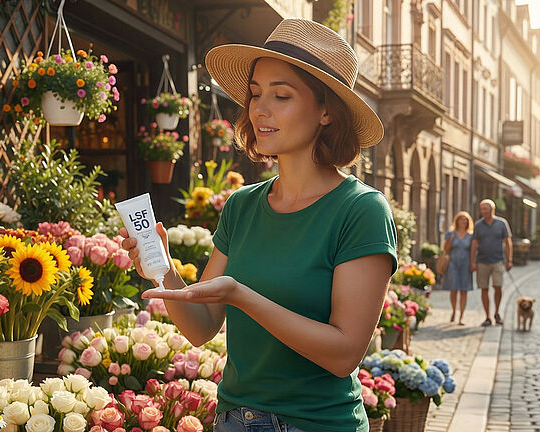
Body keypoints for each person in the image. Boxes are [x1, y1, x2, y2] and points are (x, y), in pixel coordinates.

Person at [120, 19, 397, 432]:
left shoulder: (361, 210)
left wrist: (242, 296)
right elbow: (201, 327)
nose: (260, 109)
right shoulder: (241, 206)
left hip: (316, 423)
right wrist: (163, 270)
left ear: (326, 111)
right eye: (255, 94)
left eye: (281, 95)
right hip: (235, 418)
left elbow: (344, 354)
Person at [470, 199, 512, 326]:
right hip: (482, 261)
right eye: (482, 209)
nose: (484, 211)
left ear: (492, 209)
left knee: (498, 287)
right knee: (484, 289)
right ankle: (487, 316)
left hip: (498, 260)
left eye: (486, 209)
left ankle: (497, 313)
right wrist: (472, 261)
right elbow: (474, 243)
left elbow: (507, 242)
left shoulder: (501, 223)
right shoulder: (478, 225)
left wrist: (509, 259)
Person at [441, 211, 474, 325]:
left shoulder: (471, 236)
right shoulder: (450, 233)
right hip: (453, 264)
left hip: (465, 264)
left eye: (465, 219)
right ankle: (454, 311)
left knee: (464, 290)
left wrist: (473, 263)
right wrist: (450, 240)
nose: (463, 221)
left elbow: (473, 251)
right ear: (457, 221)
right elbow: (445, 249)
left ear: (468, 222)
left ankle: (461, 316)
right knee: (453, 289)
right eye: (461, 219)